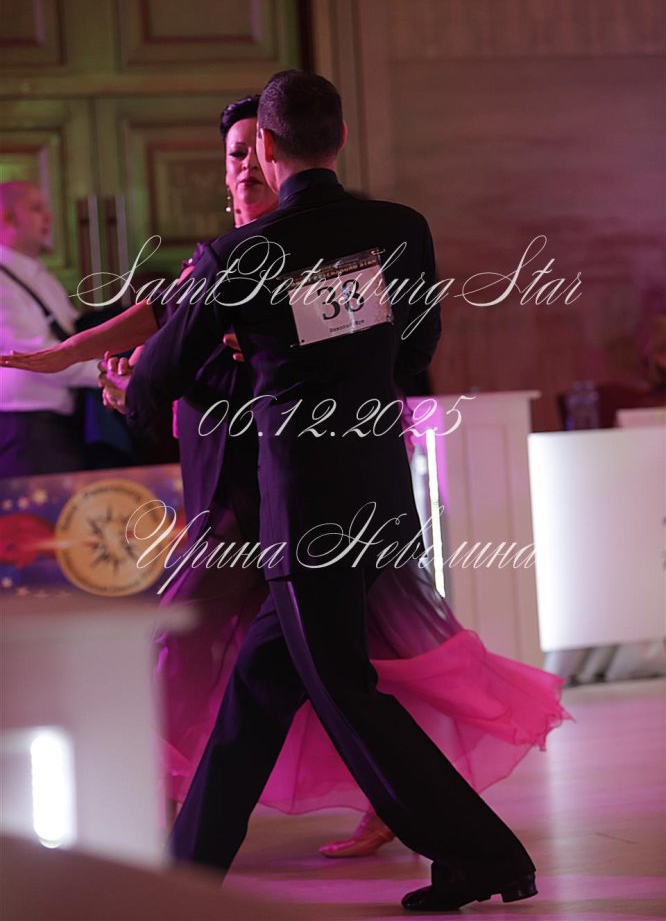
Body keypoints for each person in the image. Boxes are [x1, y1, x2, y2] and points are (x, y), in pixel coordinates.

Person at [1, 97, 567, 871]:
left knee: (336, 687)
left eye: (249, 149)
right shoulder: (391, 229)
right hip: (355, 493)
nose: (242, 165)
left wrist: (136, 388)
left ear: (269, 147)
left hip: (296, 505)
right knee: (259, 692)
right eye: (229, 154)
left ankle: (483, 855)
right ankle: (195, 861)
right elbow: (410, 350)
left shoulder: (244, 255)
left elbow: (159, 371)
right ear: (341, 136)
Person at [0, 181, 103, 477]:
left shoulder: (39, 275)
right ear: (7, 217)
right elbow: (37, 356)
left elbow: (75, 341)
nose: (48, 217)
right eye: (35, 208)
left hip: (59, 425)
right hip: (25, 428)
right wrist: (110, 374)